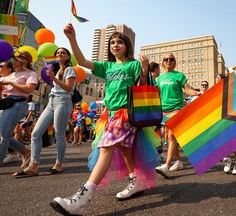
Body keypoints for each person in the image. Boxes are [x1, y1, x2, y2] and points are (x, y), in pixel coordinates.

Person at [49, 23, 160, 216]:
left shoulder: (133, 64)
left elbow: (142, 87)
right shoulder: (106, 66)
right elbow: (82, 60)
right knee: (125, 149)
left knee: (106, 148)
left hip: (126, 113)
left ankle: (81, 199)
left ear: (127, 45)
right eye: (112, 42)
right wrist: (72, 38)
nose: (115, 45)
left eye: (119, 42)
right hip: (110, 113)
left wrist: (143, 69)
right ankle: (136, 180)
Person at [13, 47, 76, 177]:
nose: (59, 54)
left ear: (68, 57)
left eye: (63, 53)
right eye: (57, 52)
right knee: (35, 133)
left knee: (59, 135)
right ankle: (33, 165)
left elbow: (69, 88)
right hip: (51, 102)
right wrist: (52, 77)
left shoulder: (70, 70)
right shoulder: (55, 69)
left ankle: (59, 164)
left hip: (63, 101)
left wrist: (54, 78)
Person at [155, 52, 201, 177]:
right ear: (163, 62)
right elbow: (156, 95)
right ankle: (179, 162)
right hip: (164, 111)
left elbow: (187, 90)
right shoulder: (159, 79)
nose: (169, 61)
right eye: (166, 59)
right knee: (167, 137)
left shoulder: (179, 76)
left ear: (174, 62)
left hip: (177, 109)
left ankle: (167, 165)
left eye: (171, 59)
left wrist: (196, 93)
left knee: (172, 137)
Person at [215, 73, 236, 175]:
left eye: (218, 79)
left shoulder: (231, 91)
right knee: (224, 143)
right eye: (216, 79)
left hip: (232, 120)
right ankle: (228, 161)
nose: (217, 80)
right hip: (221, 122)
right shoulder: (215, 93)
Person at [3, 95, 35, 164]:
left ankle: (34, 141)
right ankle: (15, 149)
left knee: (28, 133)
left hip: (27, 120)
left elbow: (30, 112)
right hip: (19, 118)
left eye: (28, 96)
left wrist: (27, 120)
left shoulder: (30, 103)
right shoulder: (21, 102)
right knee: (16, 131)